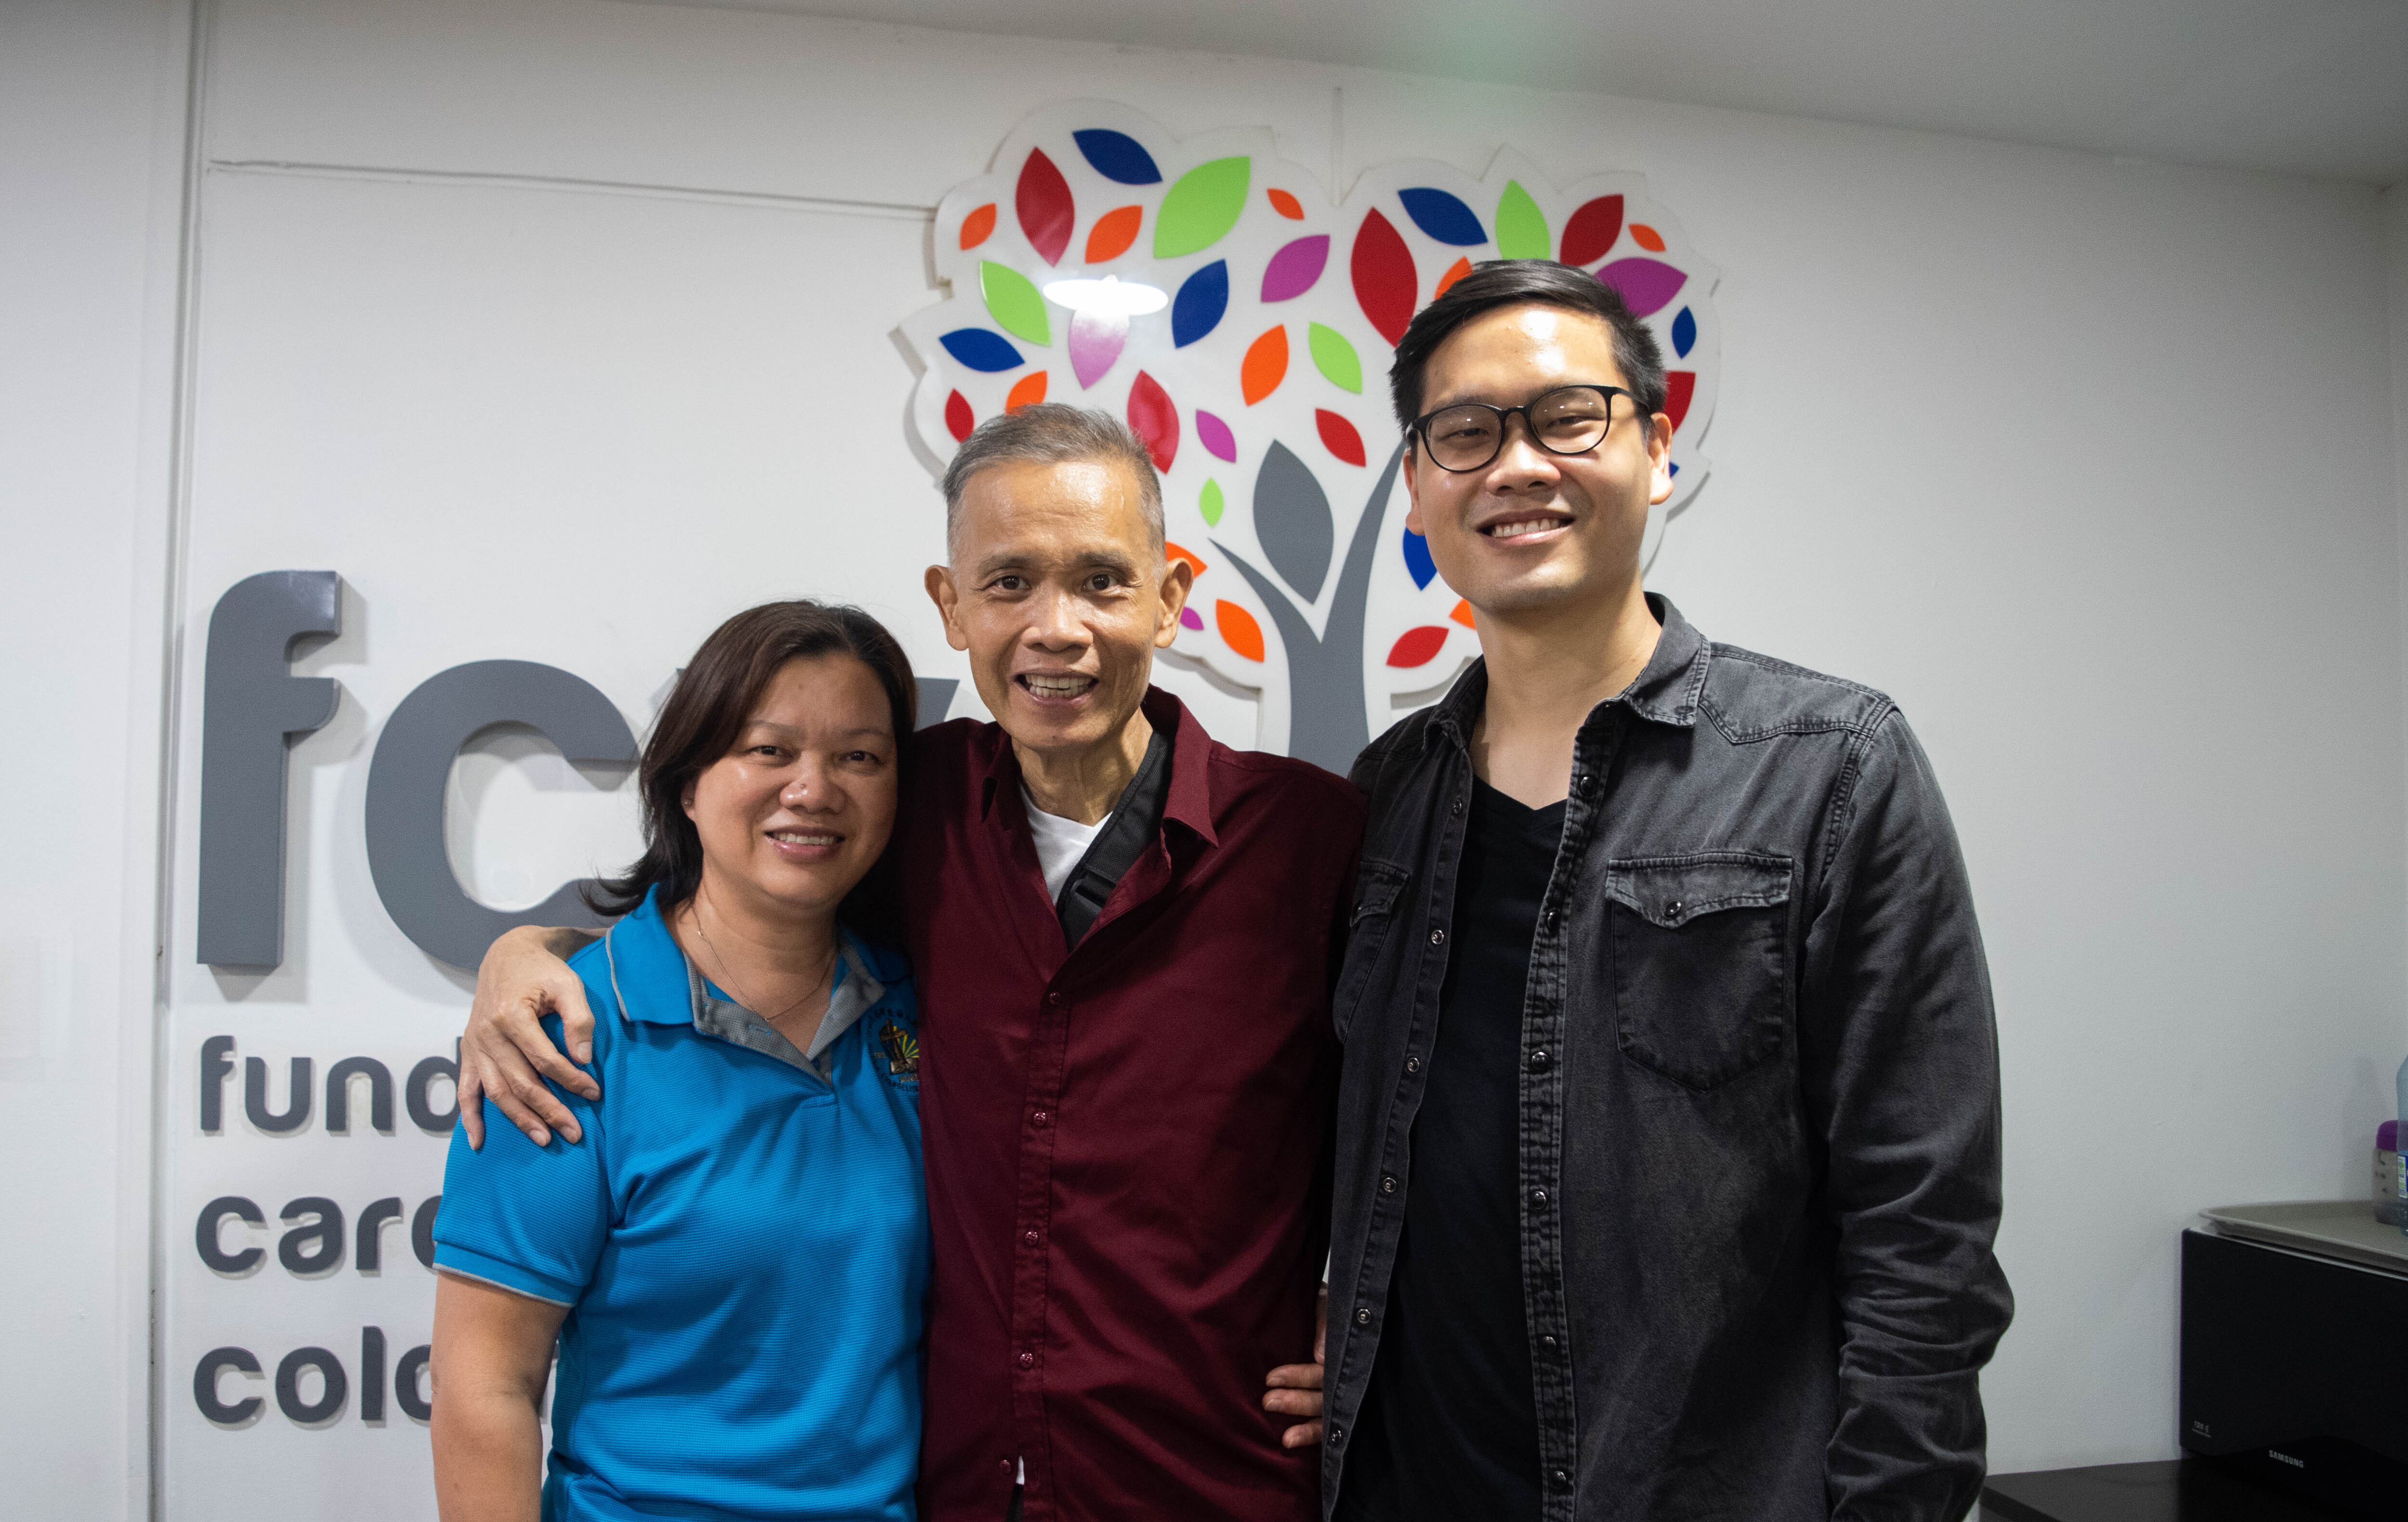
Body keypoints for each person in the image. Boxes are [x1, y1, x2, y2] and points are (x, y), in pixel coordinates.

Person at [453, 406, 1358, 1522]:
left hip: (1212, 1485)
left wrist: (1378, 1317)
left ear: (1170, 598)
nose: (1055, 627)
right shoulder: (909, 806)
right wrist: (522, 953)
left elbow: (1451, 1097)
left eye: (1101, 581)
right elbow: (723, 899)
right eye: (1011, 581)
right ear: (952, 605)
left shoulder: (1315, 843)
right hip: (967, 1491)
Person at [1318, 260, 2013, 1521]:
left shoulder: (1829, 767)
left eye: (1567, 417)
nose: (1516, 466)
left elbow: (1924, 1227)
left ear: (1654, 449)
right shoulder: (1383, 797)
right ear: (1418, 486)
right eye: (1464, 433)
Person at [429, 601, 930, 1521]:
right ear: (687, 782)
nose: (813, 789)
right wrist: (526, 951)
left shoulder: (925, 1005)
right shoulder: (564, 1035)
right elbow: (483, 1392)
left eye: (859, 757)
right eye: (769, 750)